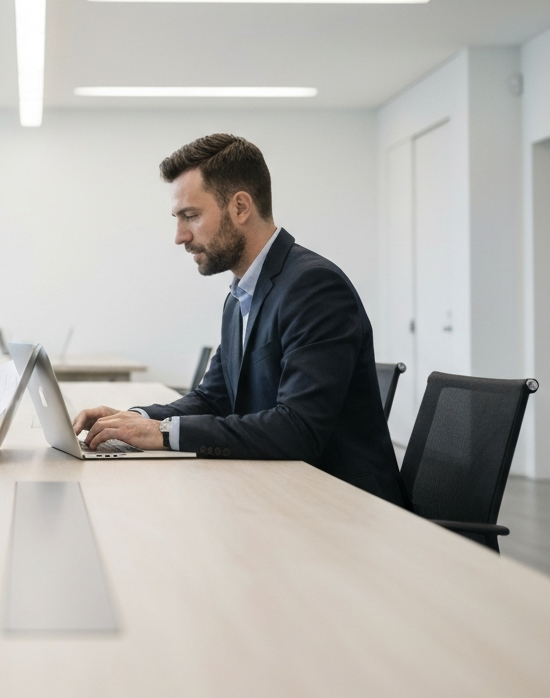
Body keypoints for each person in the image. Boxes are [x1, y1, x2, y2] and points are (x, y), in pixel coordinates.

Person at [73, 133, 409, 508]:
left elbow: (297, 428)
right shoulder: (240, 296)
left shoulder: (314, 286)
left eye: (192, 216)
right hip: (279, 491)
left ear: (241, 207)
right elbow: (213, 398)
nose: (180, 236)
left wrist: (163, 432)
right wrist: (133, 419)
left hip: (344, 507)